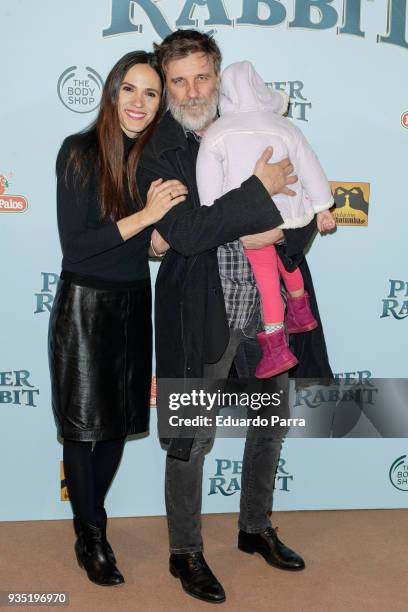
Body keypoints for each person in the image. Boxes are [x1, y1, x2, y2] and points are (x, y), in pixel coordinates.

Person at [138, 30, 332, 604]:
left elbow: (301, 205)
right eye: (179, 79)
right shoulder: (159, 151)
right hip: (200, 313)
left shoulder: (262, 128)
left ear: (219, 76)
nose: (193, 90)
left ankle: (254, 528)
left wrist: (282, 231)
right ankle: (186, 551)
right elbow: (188, 233)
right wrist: (256, 194)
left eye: (202, 76)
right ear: (166, 84)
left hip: (270, 313)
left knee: (269, 425)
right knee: (190, 440)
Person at [48, 51, 187, 587]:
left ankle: (92, 522)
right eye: (130, 89)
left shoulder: (152, 159)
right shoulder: (79, 152)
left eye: (151, 93)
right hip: (85, 307)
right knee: (84, 432)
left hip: (134, 303)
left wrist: (154, 238)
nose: (139, 102)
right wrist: (146, 217)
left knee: (115, 429)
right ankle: (92, 535)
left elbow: (135, 243)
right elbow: (78, 249)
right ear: (112, 92)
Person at [196, 60, 336, 379]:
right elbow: (311, 167)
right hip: (287, 218)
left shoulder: (217, 133)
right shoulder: (286, 127)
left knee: (268, 282)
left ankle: (275, 347)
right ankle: (300, 310)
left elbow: (208, 200)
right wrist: (323, 205)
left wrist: (220, 221)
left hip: (248, 224)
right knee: (288, 265)